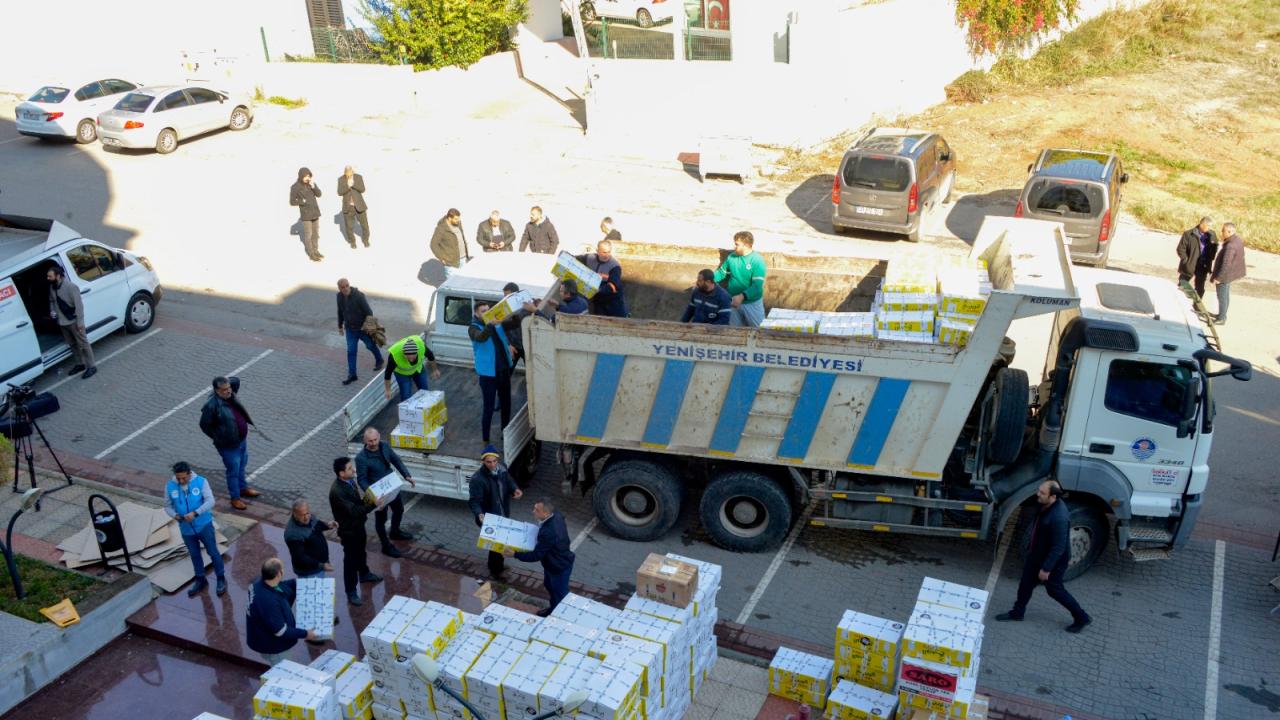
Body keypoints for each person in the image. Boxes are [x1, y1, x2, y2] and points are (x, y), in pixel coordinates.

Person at [995, 480, 1092, 633]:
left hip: (1053, 561)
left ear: (1053, 496)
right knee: (1026, 584)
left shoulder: (1059, 517)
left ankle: (1082, 617)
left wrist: (1046, 569)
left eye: (1042, 493)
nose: (1037, 494)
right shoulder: (1045, 504)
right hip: (1037, 555)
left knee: (1055, 590)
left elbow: (1058, 547)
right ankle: (1017, 613)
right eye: (1039, 490)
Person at [163, 461, 227, 598]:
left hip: (204, 525)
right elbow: (167, 506)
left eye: (183, 478)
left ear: (189, 473)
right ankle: (200, 579)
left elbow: (210, 501)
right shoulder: (170, 486)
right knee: (194, 554)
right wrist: (175, 515)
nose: (181, 480)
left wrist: (196, 513)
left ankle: (221, 577)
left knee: (213, 552)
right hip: (186, 529)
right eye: (178, 478)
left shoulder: (201, 482)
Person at [503, 498, 574, 617]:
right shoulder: (556, 515)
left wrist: (515, 554)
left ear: (546, 513)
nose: (533, 511)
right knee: (549, 585)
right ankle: (554, 608)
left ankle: (560, 615)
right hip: (553, 563)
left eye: (537, 510)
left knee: (560, 594)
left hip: (558, 567)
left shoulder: (549, 532)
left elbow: (535, 555)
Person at [198, 376, 261, 510]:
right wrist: (219, 438)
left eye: (229, 388)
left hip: (241, 441)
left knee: (242, 465)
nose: (228, 391)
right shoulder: (211, 406)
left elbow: (236, 380)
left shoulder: (231, 395)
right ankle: (235, 498)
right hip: (228, 446)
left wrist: (229, 383)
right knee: (233, 471)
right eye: (224, 390)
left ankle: (243, 488)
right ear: (216, 391)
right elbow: (204, 425)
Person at [355, 427, 419, 558]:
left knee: (399, 509)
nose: (373, 443)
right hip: (379, 493)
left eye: (375, 439)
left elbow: (396, 460)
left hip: (391, 485)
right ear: (365, 441)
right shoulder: (361, 458)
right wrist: (373, 497)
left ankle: (395, 532)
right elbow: (362, 480)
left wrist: (406, 475)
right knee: (381, 520)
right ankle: (386, 546)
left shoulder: (384, 445)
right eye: (370, 441)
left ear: (379, 436)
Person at [328, 456, 383, 606]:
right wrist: (373, 504)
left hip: (358, 526)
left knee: (361, 552)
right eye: (350, 469)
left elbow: (357, 503)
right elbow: (353, 511)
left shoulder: (349, 482)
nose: (354, 470)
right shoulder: (338, 492)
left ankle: (364, 573)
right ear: (341, 473)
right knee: (350, 561)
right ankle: (351, 591)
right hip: (349, 531)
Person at [246, 557, 318, 665]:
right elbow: (281, 631)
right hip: (274, 647)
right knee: (283, 674)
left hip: (259, 636)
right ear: (279, 574)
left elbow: (280, 586)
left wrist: (298, 583)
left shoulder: (258, 584)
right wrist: (306, 634)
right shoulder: (269, 602)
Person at [468, 445, 522, 578]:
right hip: (489, 518)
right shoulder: (477, 479)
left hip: (503, 513)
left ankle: (497, 566)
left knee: (499, 543)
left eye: (494, 461)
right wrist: (479, 513)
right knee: (496, 545)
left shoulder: (501, 468)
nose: (492, 465)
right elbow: (474, 501)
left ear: (498, 460)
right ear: (483, 462)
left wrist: (515, 489)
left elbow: (508, 481)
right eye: (488, 462)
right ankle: (495, 570)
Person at [469, 303, 515, 444]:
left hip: (503, 370)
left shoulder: (496, 324)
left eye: (489, 310)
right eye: (484, 311)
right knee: (488, 408)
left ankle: (504, 433)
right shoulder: (473, 328)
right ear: (476, 314)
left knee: (506, 404)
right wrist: (490, 324)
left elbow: (511, 327)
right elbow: (481, 337)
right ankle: (485, 439)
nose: (487, 312)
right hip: (488, 375)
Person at [47, 264, 97, 379]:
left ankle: (92, 366)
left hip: (74, 321)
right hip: (62, 322)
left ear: (58, 276)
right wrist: (52, 310)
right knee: (72, 345)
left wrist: (80, 323)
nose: (48, 278)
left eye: (50, 276)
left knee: (83, 344)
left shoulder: (71, 287)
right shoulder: (52, 287)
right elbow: (52, 301)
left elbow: (79, 306)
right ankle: (80, 364)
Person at [713, 231, 768, 327]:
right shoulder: (731, 257)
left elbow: (757, 286)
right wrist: (708, 280)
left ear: (746, 245)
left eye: (737, 244)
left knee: (759, 331)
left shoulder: (757, 260)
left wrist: (742, 296)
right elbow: (721, 273)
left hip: (752, 303)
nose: (734, 247)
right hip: (733, 301)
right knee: (734, 331)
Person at [337, 278, 384, 386]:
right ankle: (352, 374)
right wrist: (340, 325)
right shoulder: (339, 296)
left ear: (349, 285)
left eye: (346, 286)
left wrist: (370, 328)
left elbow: (369, 312)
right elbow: (340, 311)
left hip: (362, 329)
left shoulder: (358, 296)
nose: (345, 289)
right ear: (339, 288)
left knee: (370, 345)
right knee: (351, 351)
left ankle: (379, 360)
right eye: (342, 287)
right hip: (350, 329)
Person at [284, 499, 336, 579]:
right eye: (302, 515)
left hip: (319, 566)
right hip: (309, 572)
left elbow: (316, 524)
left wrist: (328, 525)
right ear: (294, 514)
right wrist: (321, 565)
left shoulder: (309, 517)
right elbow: (300, 557)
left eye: (307, 513)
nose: (306, 517)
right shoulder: (293, 534)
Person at [383, 335, 442, 402]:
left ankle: (424, 409)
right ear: (404, 354)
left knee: (424, 391)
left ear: (417, 352)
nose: (411, 360)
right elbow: (388, 373)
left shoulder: (421, 348)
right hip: (402, 374)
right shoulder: (394, 356)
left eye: (413, 357)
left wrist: (435, 370)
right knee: (406, 396)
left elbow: (431, 356)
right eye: (408, 357)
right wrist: (388, 390)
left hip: (418, 369)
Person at [576, 240, 626, 317]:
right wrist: (566, 255)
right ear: (597, 251)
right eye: (604, 252)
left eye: (608, 252)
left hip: (613, 302)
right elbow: (576, 259)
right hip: (599, 302)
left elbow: (613, 287)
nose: (606, 255)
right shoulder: (590, 258)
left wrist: (597, 290)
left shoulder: (615, 266)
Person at [1210, 222, 1245, 325]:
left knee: (1222, 296)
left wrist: (1219, 278)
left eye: (1223, 231)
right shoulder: (1237, 240)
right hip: (1231, 274)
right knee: (1225, 295)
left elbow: (1225, 264)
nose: (1221, 232)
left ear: (1229, 231)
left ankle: (1221, 318)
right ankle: (1222, 314)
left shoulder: (1230, 246)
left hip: (1225, 275)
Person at [1176, 216, 1218, 299]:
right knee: (1182, 284)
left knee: (1200, 288)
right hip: (1189, 265)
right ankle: (1179, 300)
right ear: (1202, 225)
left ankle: (1197, 306)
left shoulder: (1212, 234)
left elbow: (1215, 247)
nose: (1210, 228)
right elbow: (1180, 249)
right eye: (1208, 226)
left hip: (1203, 266)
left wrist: (1211, 257)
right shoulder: (1188, 234)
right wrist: (1186, 261)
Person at [290, 167, 324, 262]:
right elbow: (292, 201)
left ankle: (316, 251)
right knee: (308, 234)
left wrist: (314, 187)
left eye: (308, 176)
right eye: (305, 176)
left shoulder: (311, 184)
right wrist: (301, 201)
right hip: (306, 215)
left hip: (315, 212)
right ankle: (311, 254)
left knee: (316, 234)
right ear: (301, 176)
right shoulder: (295, 187)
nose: (307, 178)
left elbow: (319, 194)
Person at [337, 165, 370, 248]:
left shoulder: (358, 177)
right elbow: (339, 192)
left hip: (360, 206)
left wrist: (353, 184)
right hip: (348, 207)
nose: (349, 173)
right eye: (347, 172)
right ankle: (352, 242)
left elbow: (362, 189)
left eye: (350, 171)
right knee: (349, 227)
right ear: (345, 172)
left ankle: (365, 240)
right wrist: (347, 186)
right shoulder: (341, 179)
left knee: (365, 225)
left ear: (352, 171)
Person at [430, 208, 471, 274]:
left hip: (463, 259)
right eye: (456, 219)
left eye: (459, 218)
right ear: (449, 218)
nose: (458, 220)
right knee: (451, 283)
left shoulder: (458, 223)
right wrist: (442, 258)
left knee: (463, 282)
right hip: (451, 263)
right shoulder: (441, 229)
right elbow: (433, 244)